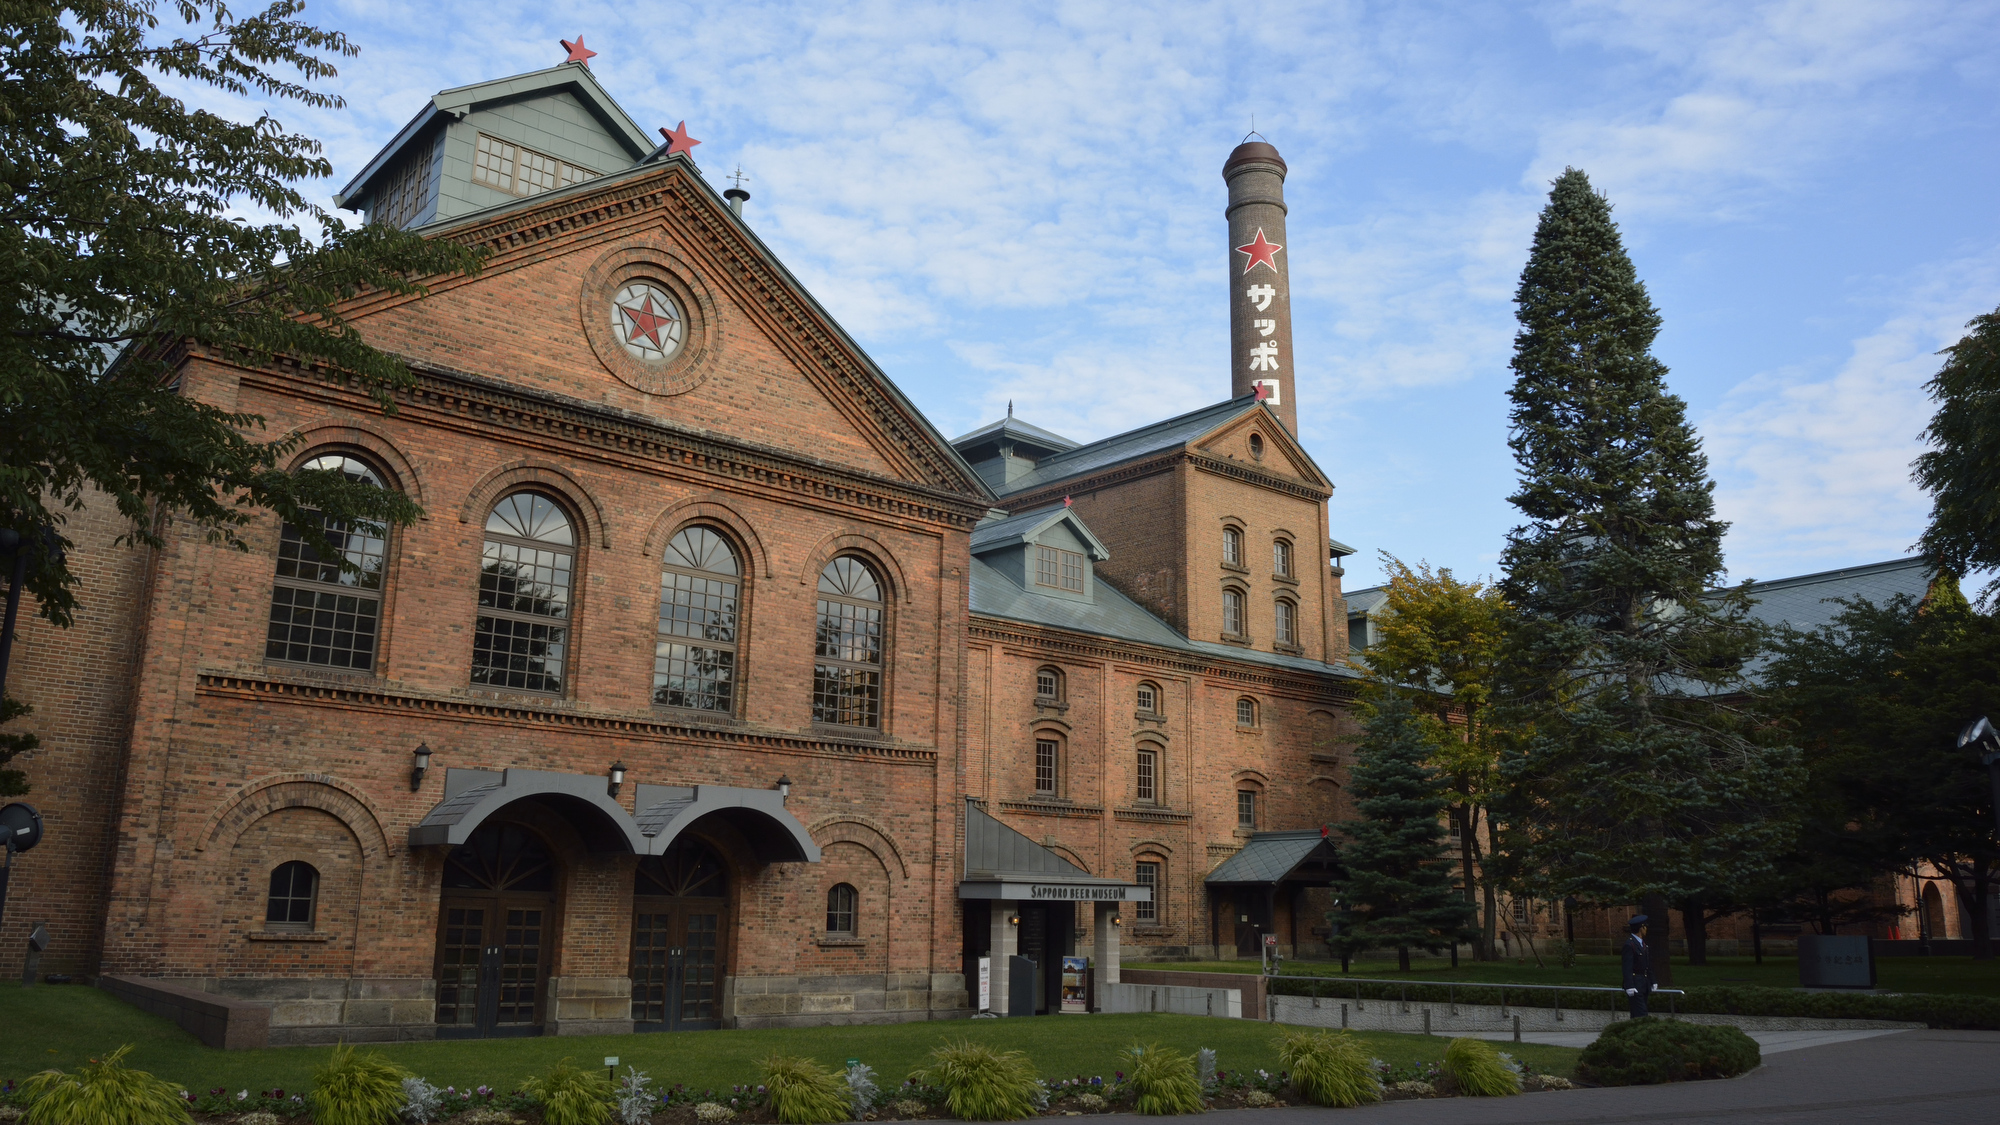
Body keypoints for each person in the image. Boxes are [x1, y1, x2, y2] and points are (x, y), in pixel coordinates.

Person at [1621, 914, 1656, 1017]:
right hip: (1635, 984)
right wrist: (1629, 985)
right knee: (1641, 1013)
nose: (1646, 929)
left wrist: (1653, 980)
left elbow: (1647, 964)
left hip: (1643, 983)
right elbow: (1627, 966)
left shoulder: (1642, 944)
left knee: (1640, 1012)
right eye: (1645, 927)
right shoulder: (1630, 944)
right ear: (1641, 928)